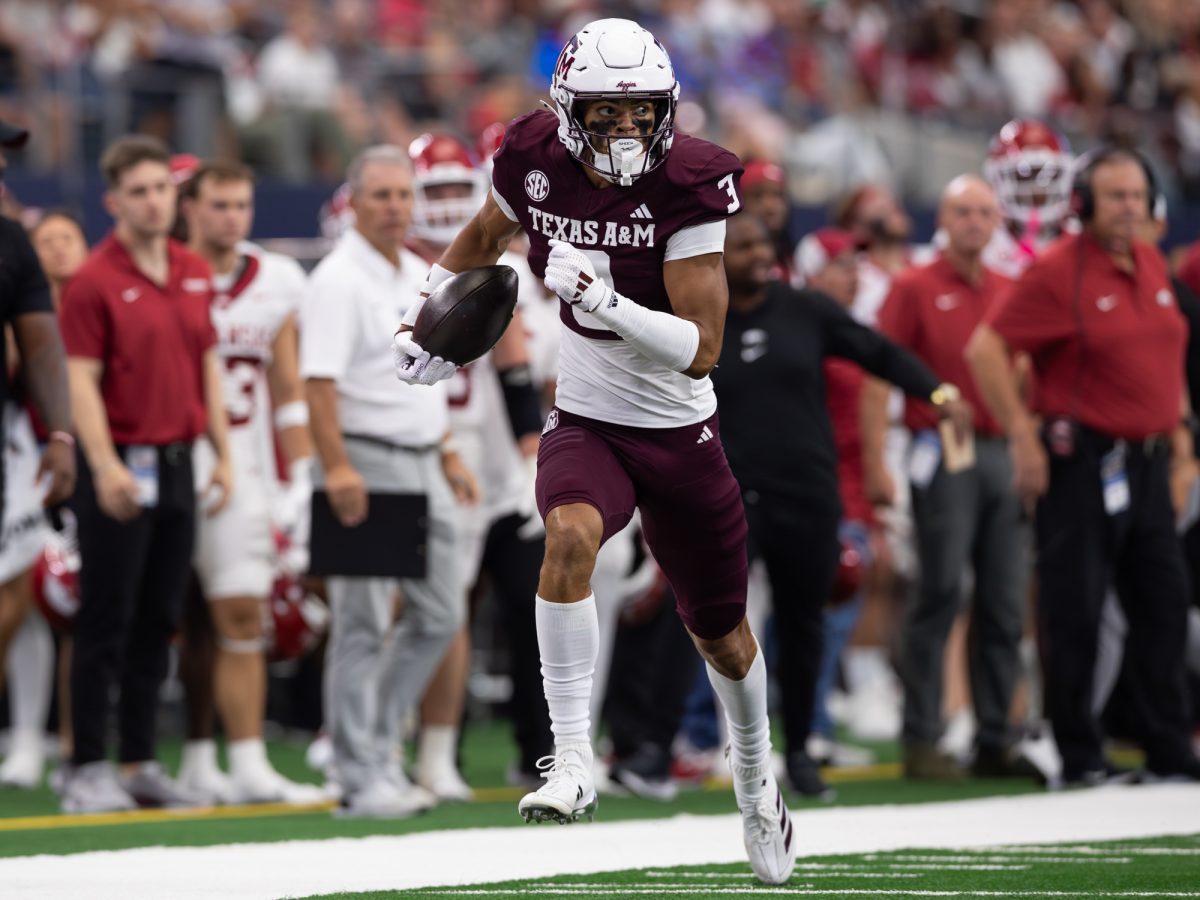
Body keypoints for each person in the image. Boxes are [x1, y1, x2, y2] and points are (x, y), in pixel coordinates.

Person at [393, 17, 797, 884]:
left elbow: (701, 345)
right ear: (569, 109)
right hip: (586, 417)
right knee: (568, 539)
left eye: (639, 111)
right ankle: (572, 760)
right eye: (606, 113)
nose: (624, 129)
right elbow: (480, 240)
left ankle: (757, 783)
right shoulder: (532, 153)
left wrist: (604, 301)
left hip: (680, 430)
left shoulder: (693, 181)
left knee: (722, 636)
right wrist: (422, 313)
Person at [713, 215, 970, 799]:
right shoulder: (699, 314)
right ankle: (714, 744)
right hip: (724, 495)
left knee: (806, 625)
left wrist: (936, 390)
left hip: (804, 493)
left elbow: (875, 351)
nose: (756, 253)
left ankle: (801, 748)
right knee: (717, 623)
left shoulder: (805, 310)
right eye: (742, 244)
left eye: (761, 241)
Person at [965, 148, 1200, 785]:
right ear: (1085, 205)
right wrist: (1022, 434)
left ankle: (1168, 747)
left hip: (1148, 462)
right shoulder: (1059, 271)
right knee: (1076, 609)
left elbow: (1165, 354)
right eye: (1115, 196)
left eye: (1137, 196)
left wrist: (1179, 437)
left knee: (1164, 604)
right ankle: (1078, 752)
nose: (1130, 208)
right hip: (1081, 460)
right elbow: (985, 349)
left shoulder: (1150, 260)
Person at [58, 134, 233, 812]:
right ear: (114, 202)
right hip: (121, 467)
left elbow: (206, 367)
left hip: (181, 464)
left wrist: (224, 454)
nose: (154, 201)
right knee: (105, 619)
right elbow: (80, 382)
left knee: (160, 619)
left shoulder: (191, 269)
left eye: (162, 188)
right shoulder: (93, 281)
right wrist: (101, 467)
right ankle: (83, 767)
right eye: (139, 192)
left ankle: (136, 762)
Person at [300, 144, 476, 818]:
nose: (396, 207)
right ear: (353, 201)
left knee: (439, 613)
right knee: (362, 621)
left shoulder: (417, 273)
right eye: (381, 195)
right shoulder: (337, 279)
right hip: (364, 457)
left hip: (421, 456)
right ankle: (358, 772)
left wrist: (448, 451)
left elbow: (423, 379)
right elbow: (318, 384)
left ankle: (375, 743)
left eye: (404, 195)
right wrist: (336, 466)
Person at [863, 175, 1031, 780]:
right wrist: (878, 457)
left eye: (985, 212)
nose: (975, 223)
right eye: (963, 211)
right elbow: (878, 373)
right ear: (944, 216)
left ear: (998, 221)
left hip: (999, 449)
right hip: (942, 446)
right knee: (939, 591)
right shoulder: (914, 286)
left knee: (1007, 600)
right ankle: (924, 737)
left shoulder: (1012, 288)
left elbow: (1025, 374)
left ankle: (996, 736)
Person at [405, 132, 551, 801]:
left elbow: (516, 362)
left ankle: (537, 752)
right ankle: (424, 746)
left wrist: (529, 459)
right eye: (427, 190)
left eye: (450, 190)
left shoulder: (480, 257)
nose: (440, 206)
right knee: (430, 614)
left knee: (530, 608)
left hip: (489, 473)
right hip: (421, 460)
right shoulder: (389, 271)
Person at [174, 159, 323, 806]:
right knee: (162, 617)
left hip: (246, 467)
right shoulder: (163, 275)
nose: (232, 218)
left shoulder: (278, 280)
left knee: (240, 612)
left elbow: (288, 389)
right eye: (219, 205)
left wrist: (303, 474)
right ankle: (174, 760)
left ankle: (247, 760)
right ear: (191, 208)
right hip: (172, 459)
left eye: (241, 205)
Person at [0, 131, 78, 788]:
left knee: (8, 603)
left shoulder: (11, 240)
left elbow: (40, 343)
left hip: (6, 442)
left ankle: (27, 738)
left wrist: (61, 434)